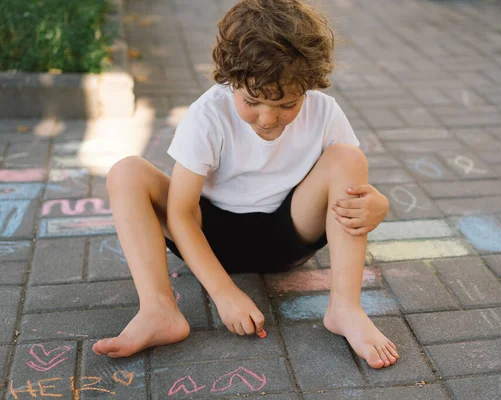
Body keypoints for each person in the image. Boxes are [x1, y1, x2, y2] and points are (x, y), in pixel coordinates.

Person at [92, 0, 399, 369]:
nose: (268, 118)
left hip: (290, 232)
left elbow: (348, 182)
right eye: (252, 101)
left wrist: (377, 205)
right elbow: (181, 212)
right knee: (126, 171)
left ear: (308, 86)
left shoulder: (324, 111)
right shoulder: (208, 114)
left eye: (287, 104)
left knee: (350, 158)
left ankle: (345, 309)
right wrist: (223, 293)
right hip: (210, 238)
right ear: (230, 79)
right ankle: (159, 312)